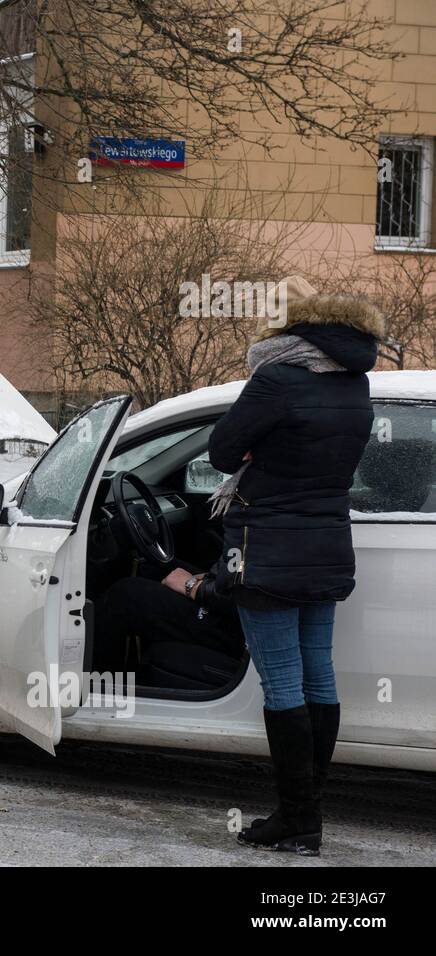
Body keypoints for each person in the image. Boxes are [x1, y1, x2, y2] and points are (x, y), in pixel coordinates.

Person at [208, 277, 382, 856]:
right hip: (326, 542)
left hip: (269, 547)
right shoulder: (356, 383)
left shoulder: (276, 378)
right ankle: (306, 808)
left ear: (294, 329)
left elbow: (221, 453)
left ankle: (297, 819)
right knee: (318, 675)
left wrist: (259, 449)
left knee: (283, 683)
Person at [92, 562, 242, 682]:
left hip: (241, 627)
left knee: (124, 596)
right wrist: (210, 578)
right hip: (233, 601)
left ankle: (96, 686)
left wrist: (192, 586)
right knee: (151, 567)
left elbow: (255, 591)